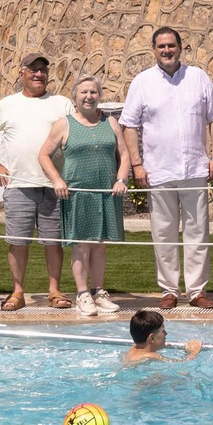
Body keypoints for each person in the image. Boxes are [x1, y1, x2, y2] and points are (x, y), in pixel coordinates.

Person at [120, 28, 213, 310]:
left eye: (171, 45)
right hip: (158, 170)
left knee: (198, 232)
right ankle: (169, 290)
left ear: (180, 47)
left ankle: (196, 291)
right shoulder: (142, 82)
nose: (166, 50)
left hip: (194, 167)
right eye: (161, 46)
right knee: (163, 233)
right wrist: (136, 163)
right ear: (153, 50)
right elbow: (129, 124)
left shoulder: (198, 77)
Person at [0, 52, 75, 311]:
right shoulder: (7, 104)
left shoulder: (62, 103)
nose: (39, 74)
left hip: (53, 184)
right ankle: (17, 292)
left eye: (43, 70)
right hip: (18, 184)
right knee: (18, 240)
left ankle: (54, 290)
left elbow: (74, 135)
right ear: (21, 73)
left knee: (53, 241)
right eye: (33, 69)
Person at [37, 74, 128, 317]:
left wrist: (121, 179)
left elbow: (124, 154)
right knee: (81, 246)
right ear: (75, 97)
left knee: (99, 246)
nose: (89, 97)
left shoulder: (110, 123)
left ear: (100, 96)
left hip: (106, 193)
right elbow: (44, 155)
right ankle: (83, 294)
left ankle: (99, 293)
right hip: (77, 194)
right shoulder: (64, 124)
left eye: (93, 92)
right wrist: (57, 180)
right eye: (84, 92)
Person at [123, 308, 203, 365]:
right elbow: (182, 365)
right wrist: (193, 352)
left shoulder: (130, 351)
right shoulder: (151, 356)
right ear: (152, 338)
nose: (166, 333)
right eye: (162, 331)